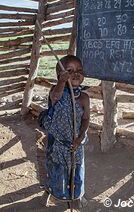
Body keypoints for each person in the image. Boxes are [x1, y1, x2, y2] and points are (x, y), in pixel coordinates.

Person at [39, 55, 90, 209]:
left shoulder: (84, 98)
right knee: (57, 172)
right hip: (58, 145)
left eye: (79, 70)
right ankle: (52, 192)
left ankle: (77, 196)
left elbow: (86, 119)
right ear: (59, 75)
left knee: (76, 171)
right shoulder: (56, 92)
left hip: (76, 144)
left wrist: (80, 138)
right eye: (69, 70)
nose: (75, 73)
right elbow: (55, 97)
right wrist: (61, 82)